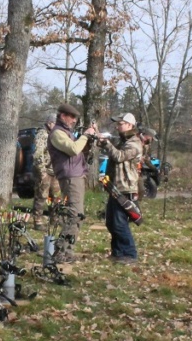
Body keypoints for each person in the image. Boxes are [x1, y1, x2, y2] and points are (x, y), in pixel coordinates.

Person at [46, 103, 96, 263]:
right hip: (70, 178)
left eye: (75, 118)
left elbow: (79, 152)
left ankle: (67, 252)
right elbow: (73, 149)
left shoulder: (67, 132)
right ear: (62, 116)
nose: (74, 120)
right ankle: (60, 252)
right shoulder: (57, 134)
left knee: (76, 215)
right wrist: (86, 135)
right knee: (74, 215)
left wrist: (91, 140)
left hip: (76, 176)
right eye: (72, 117)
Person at [98, 112, 144, 263]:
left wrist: (106, 143)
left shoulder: (134, 143)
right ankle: (117, 252)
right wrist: (100, 140)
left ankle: (129, 254)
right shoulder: (123, 140)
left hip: (126, 187)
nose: (117, 126)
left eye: (121, 124)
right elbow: (112, 152)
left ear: (130, 125)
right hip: (115, 187)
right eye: (117, 124)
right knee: (111, 222)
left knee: (119, 223)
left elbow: (118, 156)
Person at [31, 113, 60, 230]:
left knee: (56, 197)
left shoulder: (55, 135)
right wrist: (42, 171)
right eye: (55, 123)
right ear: (49, 123)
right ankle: (37, 221)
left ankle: (55, 219)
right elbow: (38, 154)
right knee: (41, 196)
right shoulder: (42, 135)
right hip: (45, 172)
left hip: (55, 171)